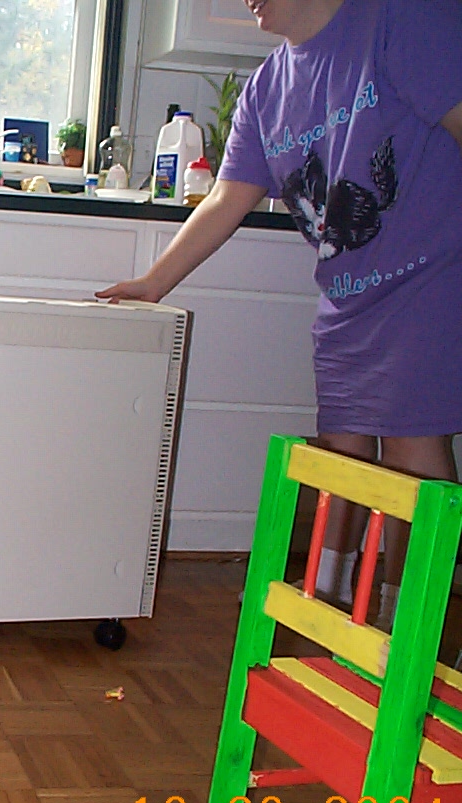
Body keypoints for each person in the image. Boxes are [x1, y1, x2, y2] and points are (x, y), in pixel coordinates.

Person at [97, 0, 462, 628]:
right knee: (341, 447)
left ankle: (409, 622)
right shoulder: (269, 86)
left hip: (432, 278)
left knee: (412, 448)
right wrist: (154, 283)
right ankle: (326, 593)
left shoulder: (399, 20)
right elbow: (226, 197)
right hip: (348, 295)